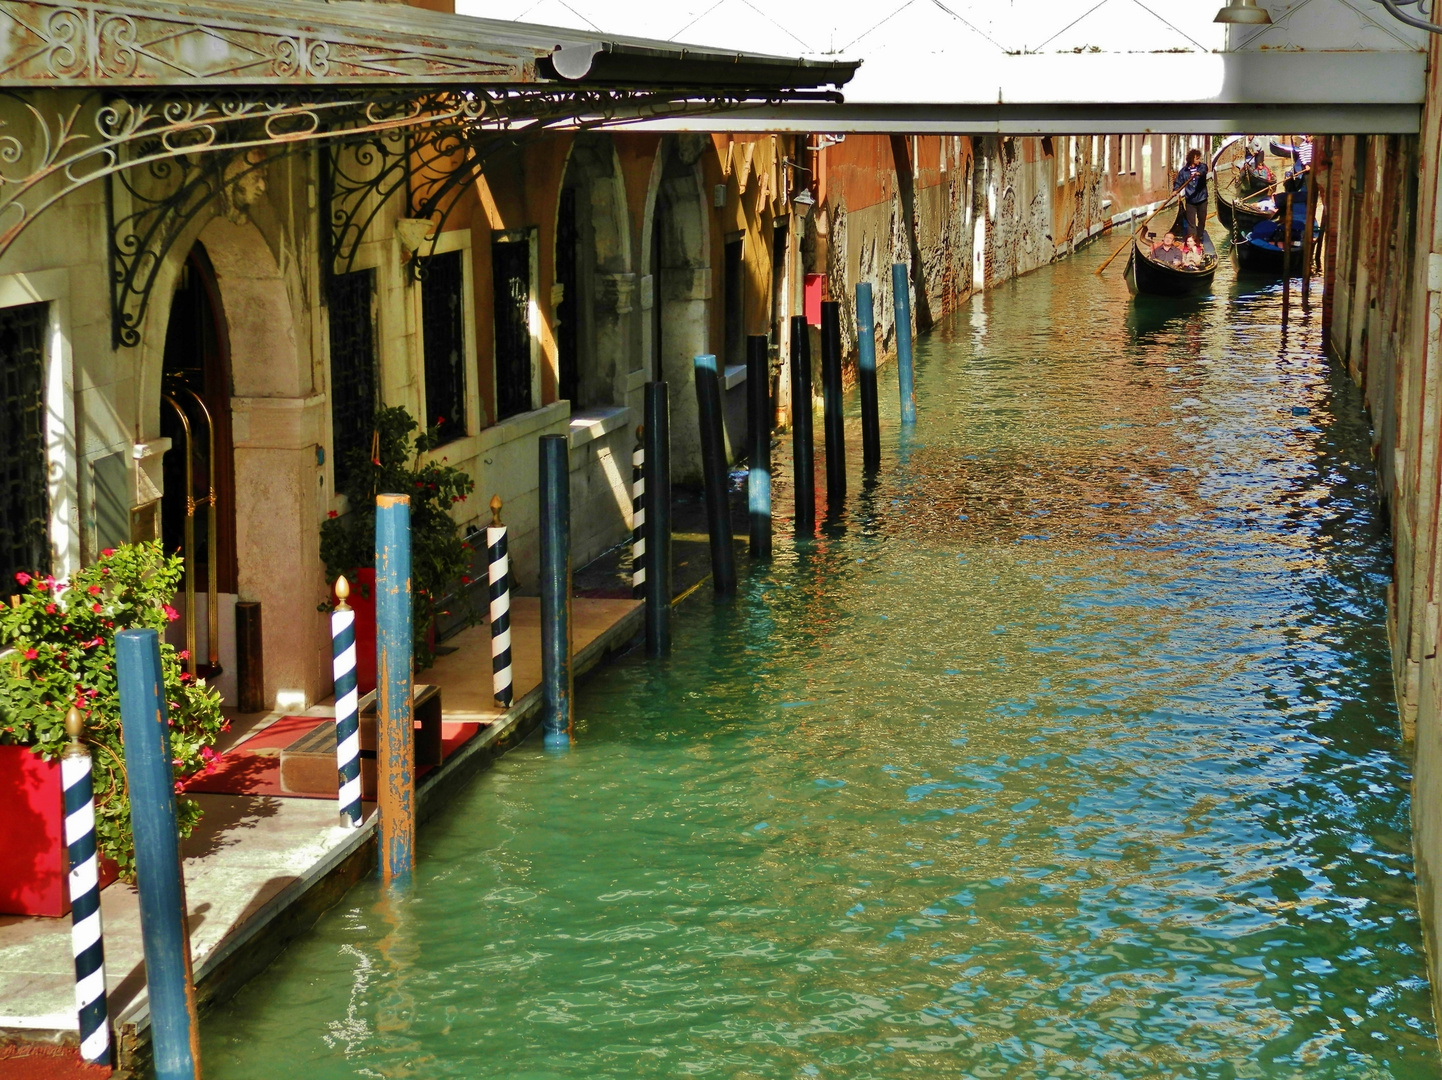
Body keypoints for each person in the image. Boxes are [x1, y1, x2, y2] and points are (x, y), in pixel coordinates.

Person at [1173, 148, 1209, 241]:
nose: (1199, 160)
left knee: (1202, 220)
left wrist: (1198, 173)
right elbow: (1178, 182)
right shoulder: (1183, 171)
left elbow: (1204, 170)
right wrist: (1175, 190)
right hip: (1190, 200)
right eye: (1197, 159)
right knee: (1191, 223)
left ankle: (1200, 237)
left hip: (1202, 198)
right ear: (1191, 159)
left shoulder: (1202, 167)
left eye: (1199, 158)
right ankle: (1192, 240)